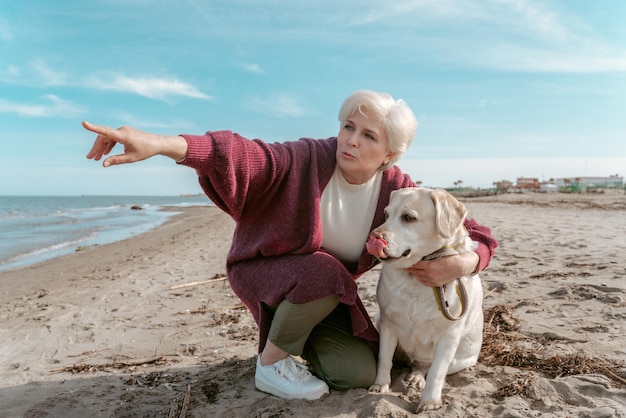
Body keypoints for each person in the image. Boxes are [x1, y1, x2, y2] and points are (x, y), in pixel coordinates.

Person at [84, 89, 498, 401]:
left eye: (368, 135)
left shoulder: (397, 191)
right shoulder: (305, 158)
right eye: (347, 127)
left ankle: (295, 342)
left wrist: (464, 263)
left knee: (355, 372)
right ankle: (271, 364)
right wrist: (161, 144)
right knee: (324, 271)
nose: (350, 140)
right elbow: (242, 154)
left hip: (327, 292)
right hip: (269, 271)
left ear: (390, 152)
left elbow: (476, 233)